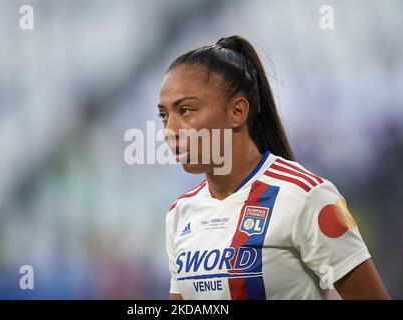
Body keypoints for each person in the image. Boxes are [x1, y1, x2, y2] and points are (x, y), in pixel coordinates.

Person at [158, 35, 390, 300]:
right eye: (164, 115)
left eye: (186, 110)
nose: (170, 130)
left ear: (237, 112)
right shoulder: (180, 213)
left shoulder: (306, 197)